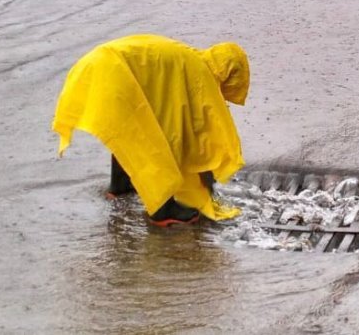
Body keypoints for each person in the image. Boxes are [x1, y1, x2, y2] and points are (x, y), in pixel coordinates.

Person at [52, 34, 250, 227]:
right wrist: (206, 181)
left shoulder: (187, 58)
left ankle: (119, 189)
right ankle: (162, 211)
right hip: (112, 74)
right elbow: (185, 134)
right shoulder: (199, 72)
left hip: (93, 66)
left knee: (128, 132)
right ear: (230, 73)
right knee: (149, 140)